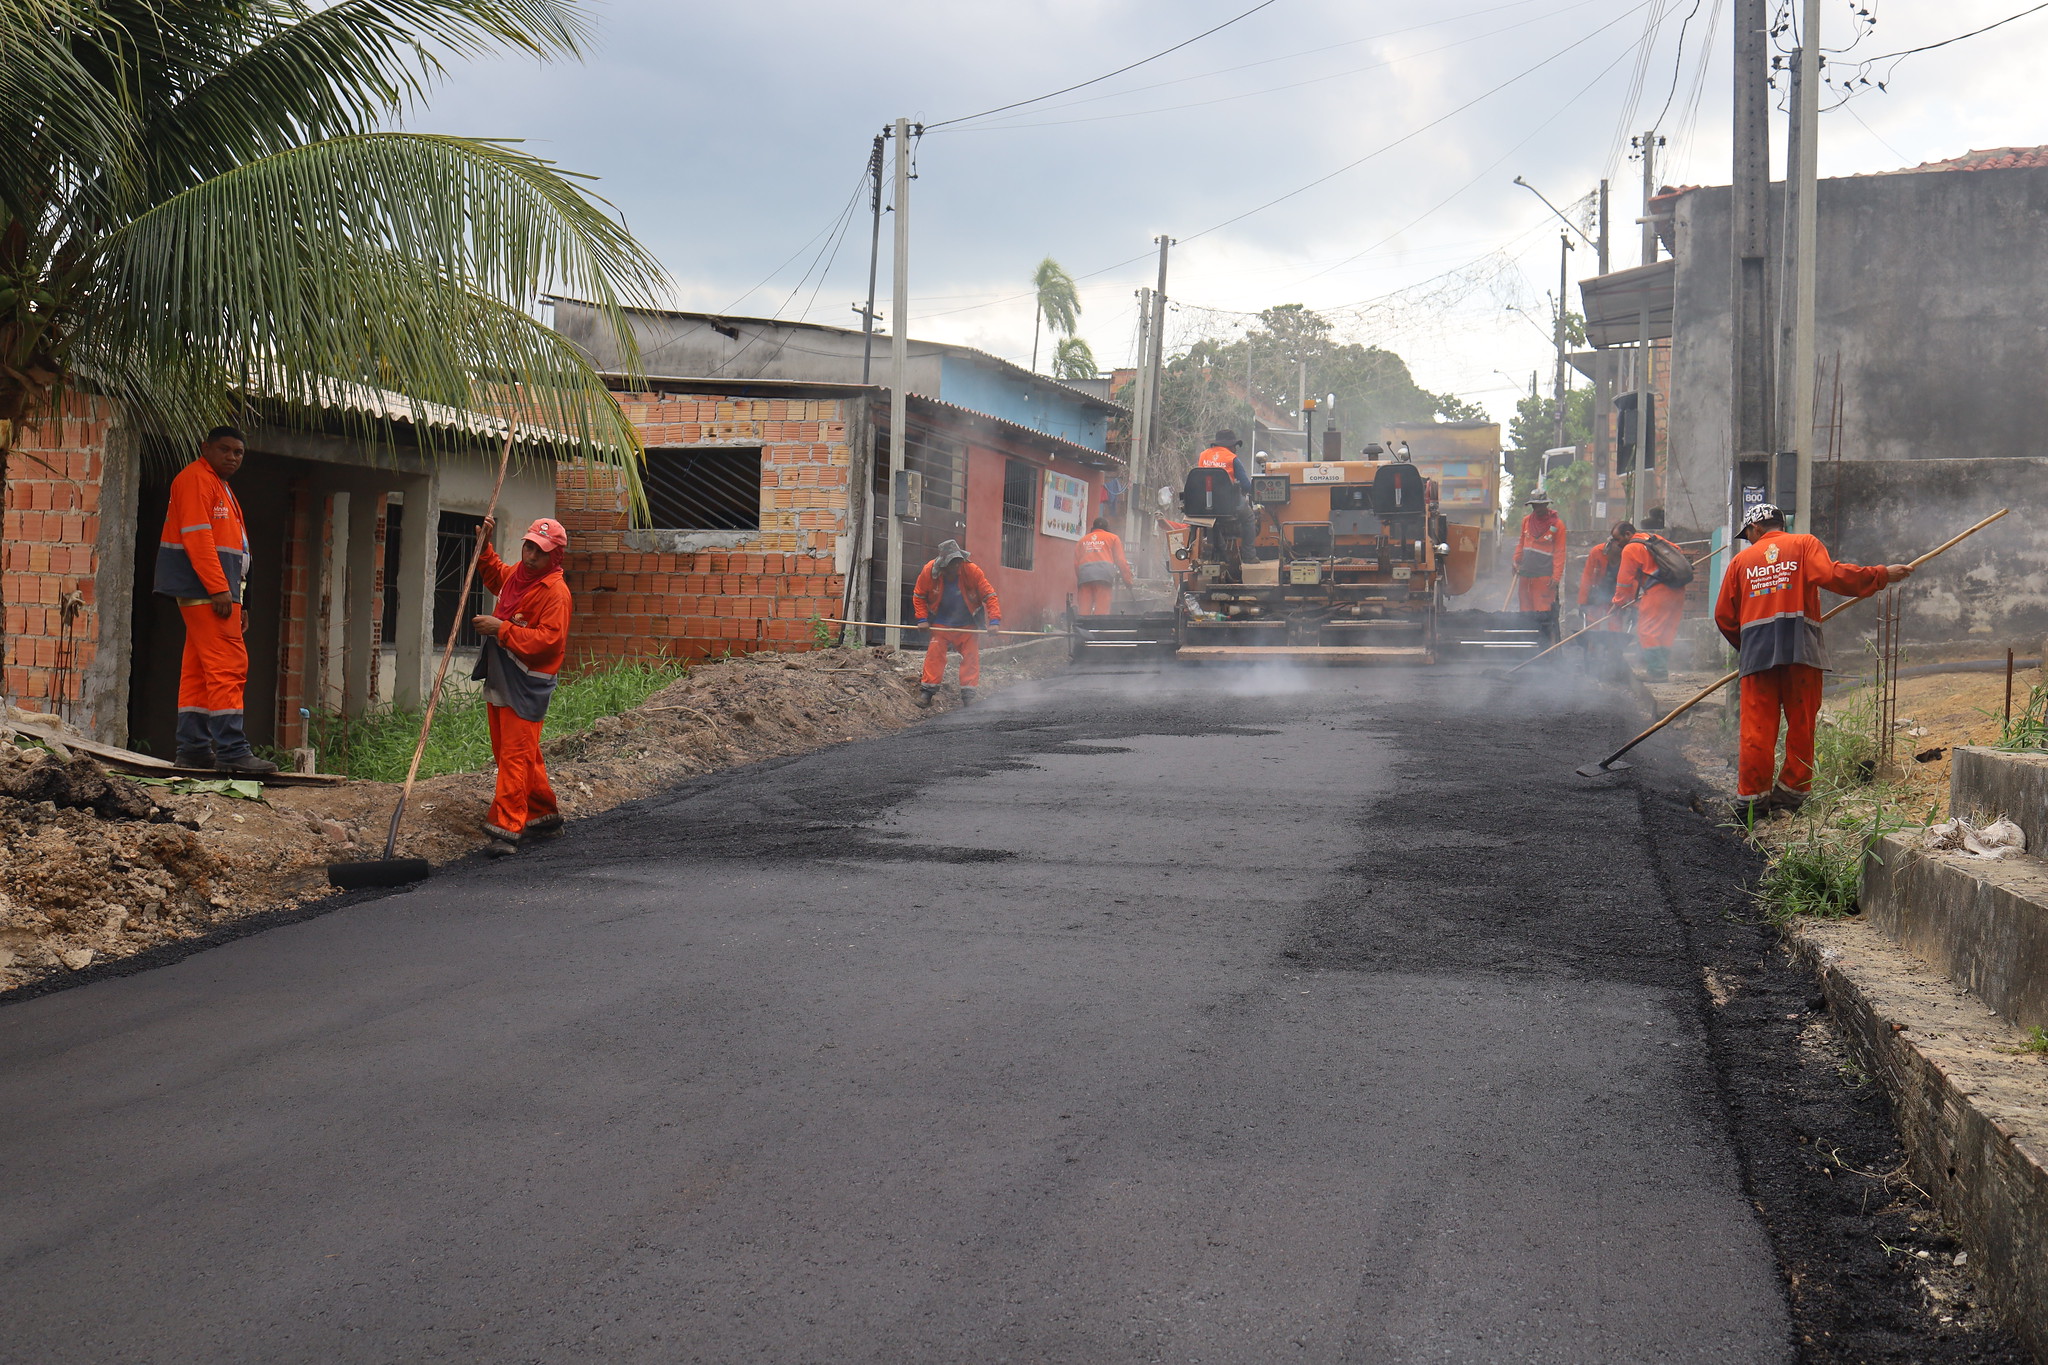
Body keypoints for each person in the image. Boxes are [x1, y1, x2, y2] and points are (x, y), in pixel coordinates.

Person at [1714, 503, 1913, 824]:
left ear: (1756, 529)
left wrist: (1748, 645)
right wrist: (1880, 575)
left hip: (1758, 658)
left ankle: (1751, 804)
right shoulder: (1804, 545)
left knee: (1756, 730)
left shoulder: (1740, 562)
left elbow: (1723, 615)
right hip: (1802, 653)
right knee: (1802, 725)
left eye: (1748, 534)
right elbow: (1832, 575)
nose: (1749, 540)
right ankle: (1790, 797)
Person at [153, 426, 277, 774]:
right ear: (204, 447)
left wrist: (243, 600)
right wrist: (219, 589)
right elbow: (198, 538)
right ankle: (233, 751)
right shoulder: (195, 479)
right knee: (228, 667)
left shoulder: (218, 485)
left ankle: (192, 749)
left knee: (198, 672)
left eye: (239, 452)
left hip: (215, 592)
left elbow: (236, 550)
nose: (232, 457)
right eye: (225, 450)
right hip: (208, 592)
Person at [471, 515, 572, 856]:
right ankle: (543, 813)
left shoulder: (556, 594)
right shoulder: (519, 576)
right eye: (528, 546)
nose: (530, 556)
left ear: (554, 557)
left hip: (527, 682)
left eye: (539, 552)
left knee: (514, 756)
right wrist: (484, 547)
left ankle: (507, 826)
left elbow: (547, 641)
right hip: (503, 673)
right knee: (514, 752)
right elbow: (496, 575)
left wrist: (500, 629)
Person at [912, 539, 1001, 708]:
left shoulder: (972, 570)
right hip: (940, 623)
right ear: (943, 565)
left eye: (958, 563)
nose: (956, 567)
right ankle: (927, 693)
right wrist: (922, 619)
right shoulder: (929, 571)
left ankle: (968, 697)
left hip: (967, 623)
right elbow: (919, 596)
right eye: (952, 564)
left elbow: (990, 596)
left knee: (970, 657)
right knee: (934, 655)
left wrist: (994, 621)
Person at [1613, 525, 1688, 681]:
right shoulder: (1653, 539)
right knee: (1666, 629)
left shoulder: (1630, 549)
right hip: (1677, 589)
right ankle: (1661, 670)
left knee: (1647, 630)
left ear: (1628, 534)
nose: (1616, 543)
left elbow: (1624, 582)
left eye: (1617, 539)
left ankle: (1657, 673)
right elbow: (1677, 550)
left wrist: (1618, 602)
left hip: (1657, 592)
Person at [1577, 521, 1635, 676]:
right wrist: (1582, 603)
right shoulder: (1597, 552)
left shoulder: (1629, 555)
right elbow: (1587, 578)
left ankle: (1613, 658)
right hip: (1597, 595)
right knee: (1592, 627)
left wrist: (1633, 606)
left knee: (1615, 629)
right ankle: (1592, 655)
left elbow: (1633, 582)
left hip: (1618, 597)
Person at [1511, 492, 1567, 634]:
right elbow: (1522, 543)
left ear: (1547, 505)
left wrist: (1556, 577)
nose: (1538, 509)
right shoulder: (1526, 521)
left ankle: (1544, 646)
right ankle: (1526, 642)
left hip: (1544, 578)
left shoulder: (1557, 525)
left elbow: (1560, 553)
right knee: (1525, 613)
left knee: (1543, 614)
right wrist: (1516, 560)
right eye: (1535, 506)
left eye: (1541, 505)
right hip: (1525, 576)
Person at [1073, 517, 1134, 616]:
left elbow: (1076, 564)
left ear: (1093, 528)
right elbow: (1121, 561)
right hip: (1104, 577)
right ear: (1107, 527)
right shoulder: (1113, 538)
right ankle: (1098, 629)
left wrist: (1081, 578)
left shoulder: (1082, 541)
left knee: (1084, 611)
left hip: (1085, 576)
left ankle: (1082, 629)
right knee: (1101, 611)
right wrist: (1128, 581)